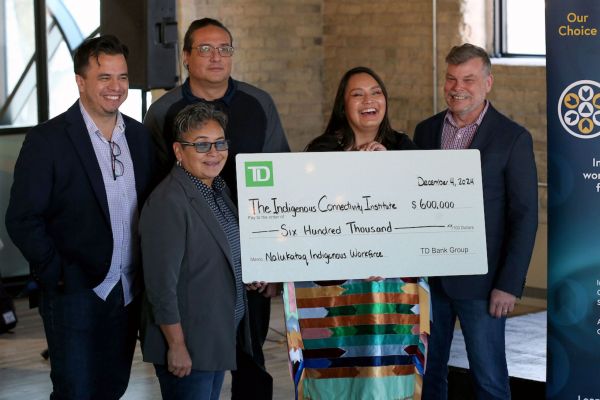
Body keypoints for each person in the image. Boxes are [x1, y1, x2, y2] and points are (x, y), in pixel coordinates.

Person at [143, 18, 289, 399]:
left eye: (224, 48)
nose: (216, 57)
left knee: (250, 362)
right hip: (194, 268)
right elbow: (154, 195)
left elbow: (281, 181)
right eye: (205, 49)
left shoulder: (258, 104)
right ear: (186, 57)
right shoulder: (163, 113)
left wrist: (270, 261)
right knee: (197, 369)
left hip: (247, 263)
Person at [5, 35, 156, 399]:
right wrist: (57, 272)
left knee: (113, 387)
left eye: (122, 77)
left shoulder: (138, 136)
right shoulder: (48, 139)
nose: (116, 87)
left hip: (128, 290)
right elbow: (22, 218)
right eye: (104, 77)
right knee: (75, 391)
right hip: (74, 292)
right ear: (80, 81)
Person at [283, 66, 429, 400]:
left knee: (387, 375)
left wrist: (389, 167)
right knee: (338, 375)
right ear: (342, 105)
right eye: (357, 94)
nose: (369, 100)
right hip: (334, 291)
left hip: (393, 287)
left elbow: (419, 213)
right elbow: (306, 219)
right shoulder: (321, 152)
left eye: (376, 92)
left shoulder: (403, 148)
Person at [414, 43, 538, 400]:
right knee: (429, 377)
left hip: (484, 287)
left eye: (468, 79)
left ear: (488, 82)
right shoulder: (425, 132)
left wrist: (509, 284)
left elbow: (525, 216)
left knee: (489, 381)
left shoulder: (512, 138)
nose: (458, 87)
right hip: (431, 282)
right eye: (451, 79)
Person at [139, 102, 260, 400]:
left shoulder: (218, 189)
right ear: (179, 152)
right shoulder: (169, 201)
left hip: (216, 336)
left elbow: (218, 253)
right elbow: (161, 287)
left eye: (220, 143)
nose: (214, 153)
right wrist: (177, 345)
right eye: (202, 145)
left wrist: (248, 274)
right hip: (189, 344)